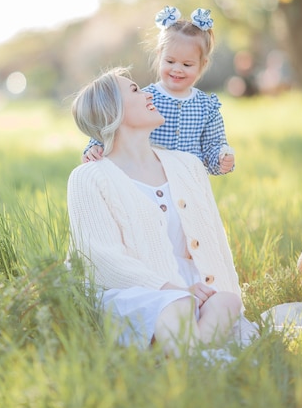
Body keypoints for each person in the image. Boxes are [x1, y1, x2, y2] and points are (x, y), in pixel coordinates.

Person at [67, 67, 246, 359]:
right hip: (131, 291)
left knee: (227, 302)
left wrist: (214, 289)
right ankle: (199, 360)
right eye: (135, 90)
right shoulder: (88, 177)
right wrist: (170, 288)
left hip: (188, 286)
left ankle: (191, 355)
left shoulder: (188, 165)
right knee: (176, 305)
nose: (149, 93)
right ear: (112, 108)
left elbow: (214, 240)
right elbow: (101, 259)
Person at [83, 6, 235, 176]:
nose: (177, 69)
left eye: (187, 65)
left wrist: (222, 159)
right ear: (159, 56)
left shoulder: (207, 106)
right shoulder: (143, 98)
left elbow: (213, 146)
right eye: (170, 61)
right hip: (149, 178)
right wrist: (95, 146)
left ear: (202, 64)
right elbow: (114, 124)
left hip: (190, 181)